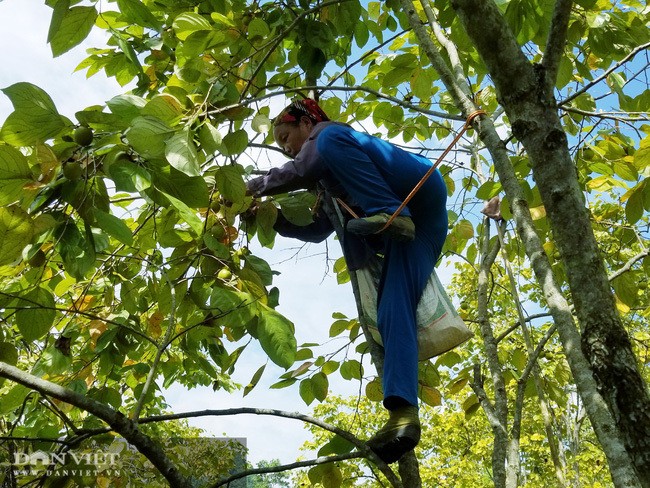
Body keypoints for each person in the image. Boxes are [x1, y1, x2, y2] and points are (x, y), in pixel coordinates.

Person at [246, 99, 448, 464]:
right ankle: (403, 416)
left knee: (327, 146)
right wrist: (268, 217)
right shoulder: (331, 180)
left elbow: (302, 166)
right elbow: (317, 230)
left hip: (419, 205)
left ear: (307, 122)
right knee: (391, 309)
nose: (286, 146)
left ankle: (388, 210)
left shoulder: (329, 136)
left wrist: (252, 187)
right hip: (407, 232)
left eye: (286, 136)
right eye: (279, 143)